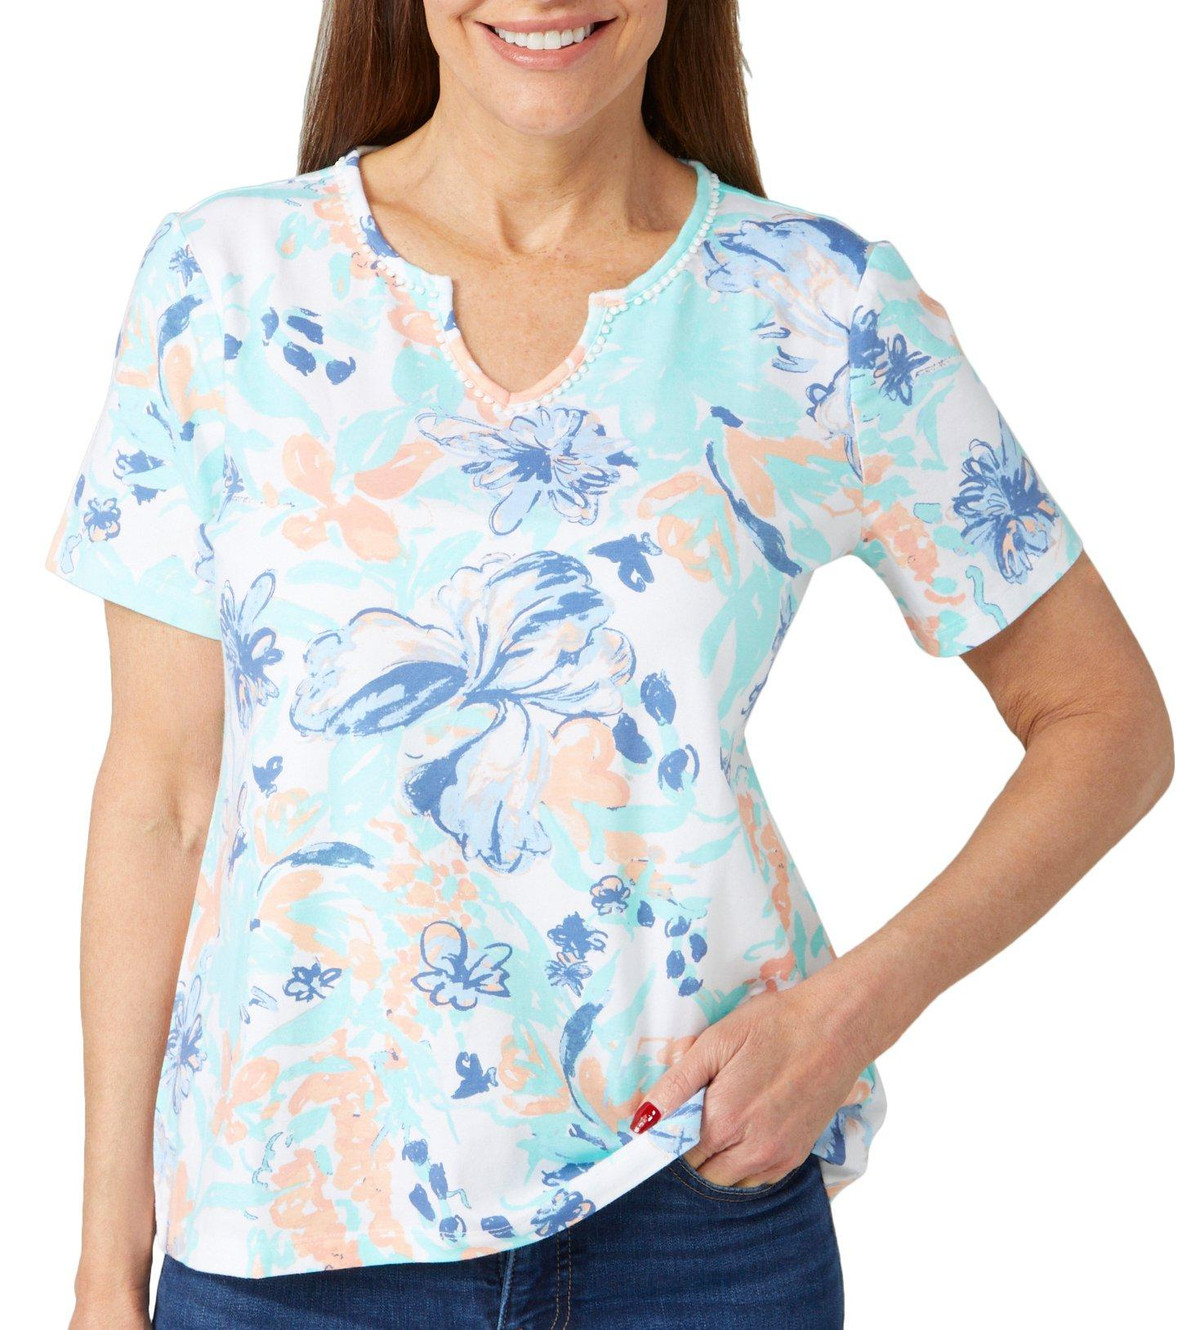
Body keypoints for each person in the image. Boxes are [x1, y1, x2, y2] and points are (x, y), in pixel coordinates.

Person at [49, 3, 1173, 1327]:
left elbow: (1108, 720)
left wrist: (848, 1015)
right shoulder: (223, 282)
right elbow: (163, 800)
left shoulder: (820, 309)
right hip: (286, 1240)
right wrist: (105, 1265)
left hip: (692, 1219)